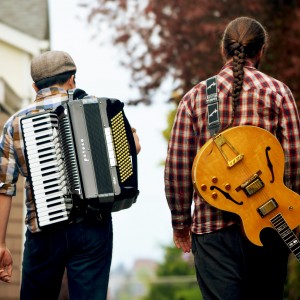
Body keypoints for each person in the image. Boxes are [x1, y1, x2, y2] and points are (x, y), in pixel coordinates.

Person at [164, 16, 300, 300]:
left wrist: (181, 224)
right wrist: (291, 210)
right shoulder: (278, 92)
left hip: (212, 231)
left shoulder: (194, 98)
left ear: (223, 50)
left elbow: (177, 168)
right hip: (270, 223)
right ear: (260, 51)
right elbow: (295, 160)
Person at [0, 50, 141, 299]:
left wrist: (0, 244)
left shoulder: (14, 123)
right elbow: (134, 148)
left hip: (43, 233)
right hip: (91, 227)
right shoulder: (99, 108)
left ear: (34, 86)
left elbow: (4, 188)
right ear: (72, 79)